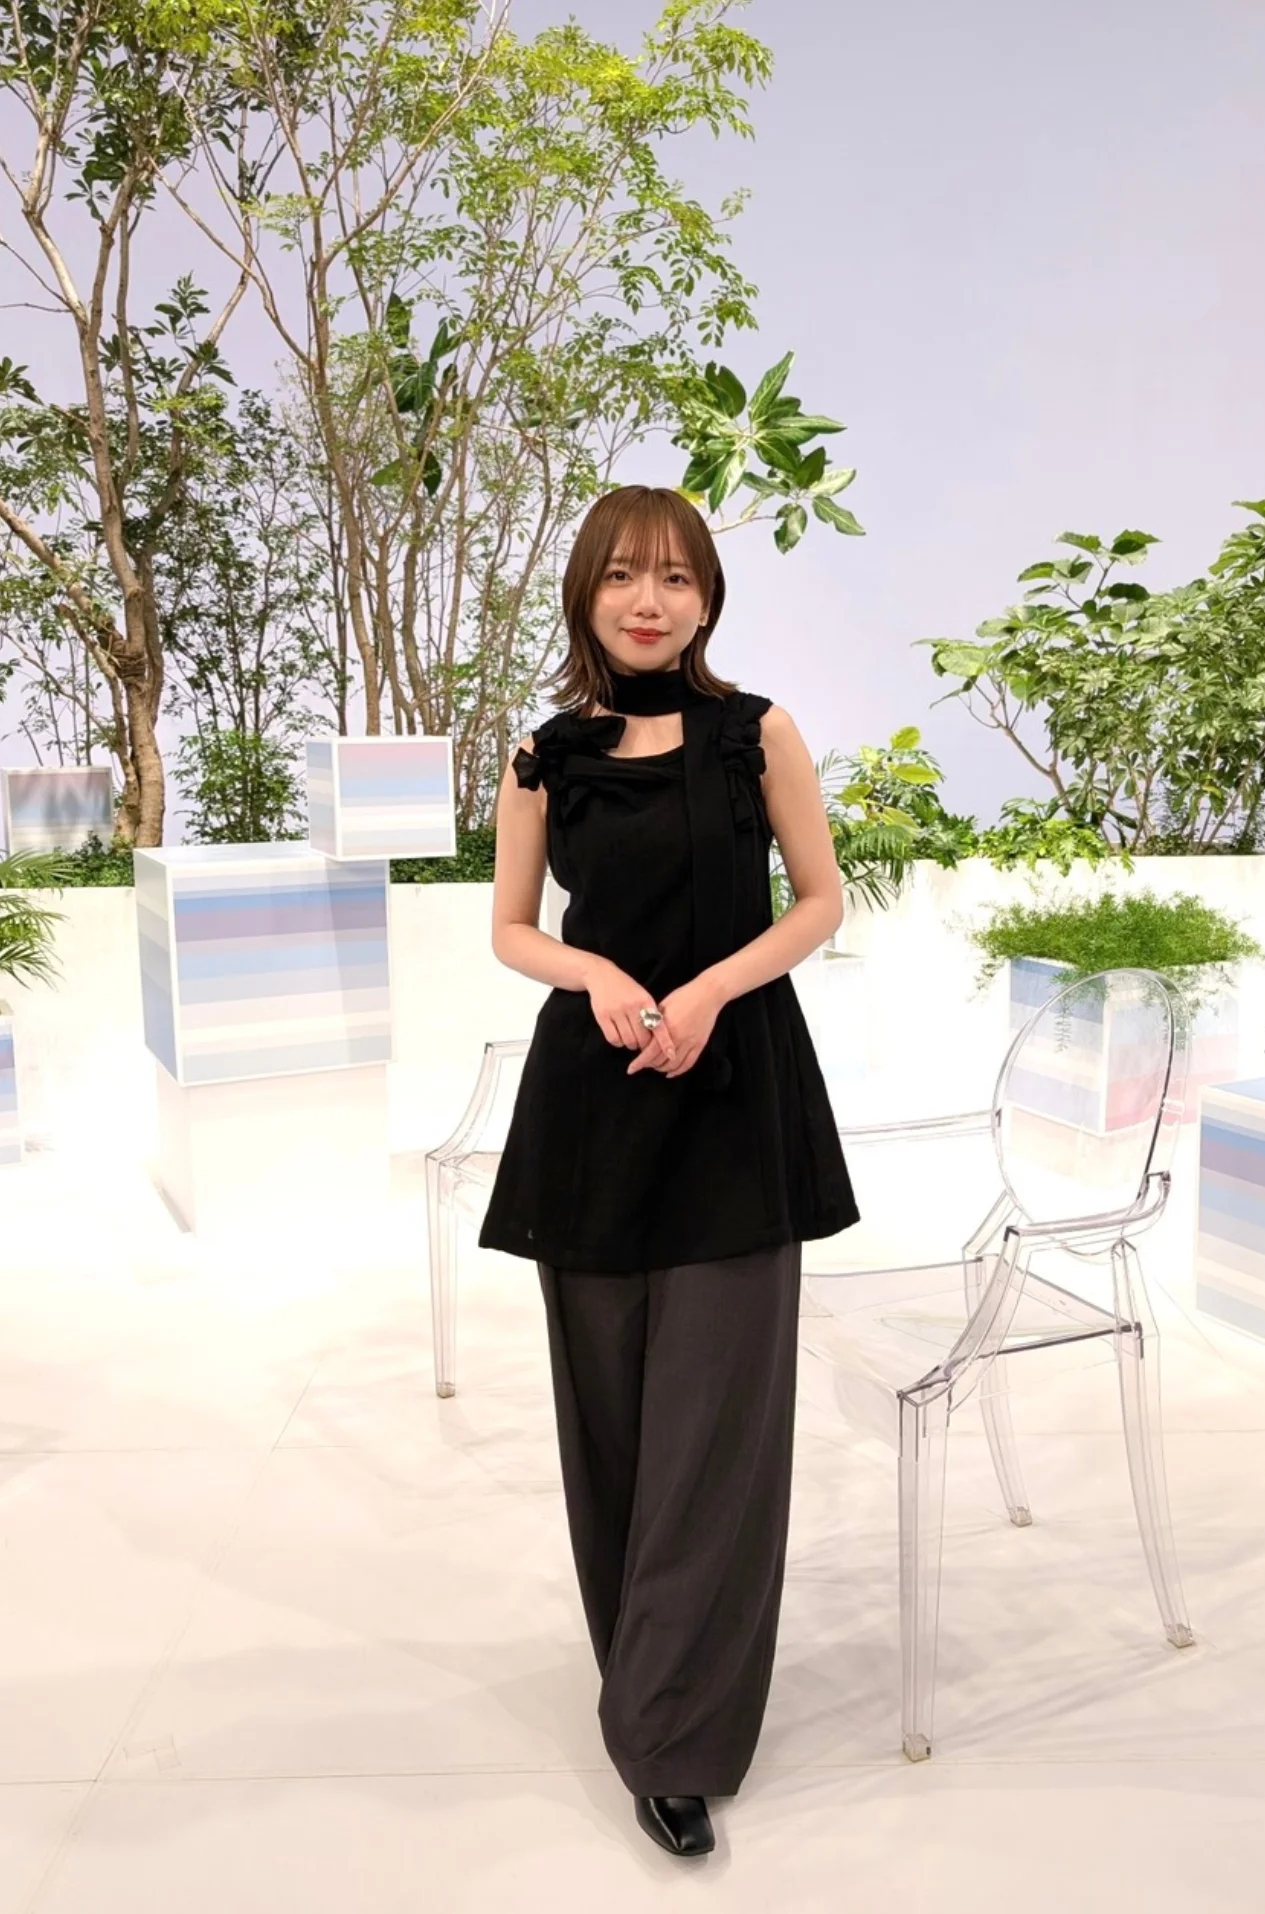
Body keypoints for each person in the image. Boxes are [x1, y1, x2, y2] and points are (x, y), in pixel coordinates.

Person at [477, 484, 859, 1859]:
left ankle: (671, 1739)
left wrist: (706, 993)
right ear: (587, 592)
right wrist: (593, 972)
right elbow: (513, 927)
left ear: (707, 598)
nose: (651, 601)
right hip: (593, 1104)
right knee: (613, 1431)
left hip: (735, 1101)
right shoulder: (545, 755)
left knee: (715, 1436)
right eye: (625, 576)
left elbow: (818, 899)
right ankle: (644, 1681)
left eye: (678, 577)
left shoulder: (757, 734)